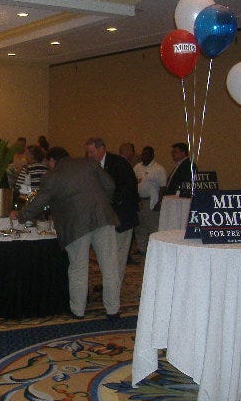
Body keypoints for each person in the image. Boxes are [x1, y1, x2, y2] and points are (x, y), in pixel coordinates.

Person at [10, 147, 121, 320]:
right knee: (110, 267)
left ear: (53, 160)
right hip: (103, 218)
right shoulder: (90, 164)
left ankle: (78, 312)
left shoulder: (52, 175)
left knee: (78, 268)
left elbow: (40, 201)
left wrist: (22, 216)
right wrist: (100, 202)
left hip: (75, 224)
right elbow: (110, 185)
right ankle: (113, 311)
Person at [85, 137, 139, 289]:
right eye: (87, 152)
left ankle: (114, 287)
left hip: (122, 218)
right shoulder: (90, 166)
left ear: (102, 149)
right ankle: (109, 283)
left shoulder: (119, 164)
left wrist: (106, 201)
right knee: (106, 256)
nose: (89, 155)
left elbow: (127, 190)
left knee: (118, 257)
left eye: (91, 152)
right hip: (104, 220)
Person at [133, 146, 166, 253]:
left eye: (146, 154)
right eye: (142, 154)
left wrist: (159, 202)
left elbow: (163, 187)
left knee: (153, 227)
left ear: (152, 155)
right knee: (139, 227)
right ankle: (142, 249)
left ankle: (154, 251)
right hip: (139, 201)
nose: (143, 156)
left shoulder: (159, 169)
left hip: (151, 201)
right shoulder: (137, 167)